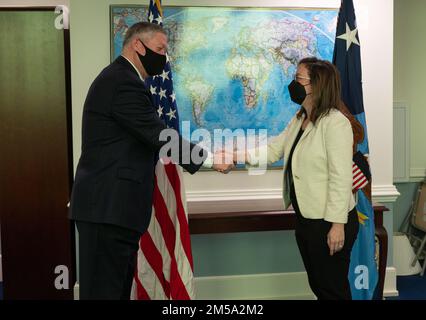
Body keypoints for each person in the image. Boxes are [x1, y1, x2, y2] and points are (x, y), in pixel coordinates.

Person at [69, 22, 233, 300]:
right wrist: (210, 159)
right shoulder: (122, 83)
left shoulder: (122, 79)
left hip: (113, 211)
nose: (164, 57)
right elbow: (158, 135)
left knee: (115, 291)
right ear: (137, 45)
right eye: (160, 49)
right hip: (107, 210)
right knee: (105, 292)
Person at [233, 57, 359, 300]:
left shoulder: (335, 123)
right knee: (319, 285)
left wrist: (337, 225)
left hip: (329, 222)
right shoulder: (301, 118)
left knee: (333, 289)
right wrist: (236, 157)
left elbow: (340, 178)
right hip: (306, 218)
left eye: (298, 79)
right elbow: (273, 150)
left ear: (316, 86)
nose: (293, 83)